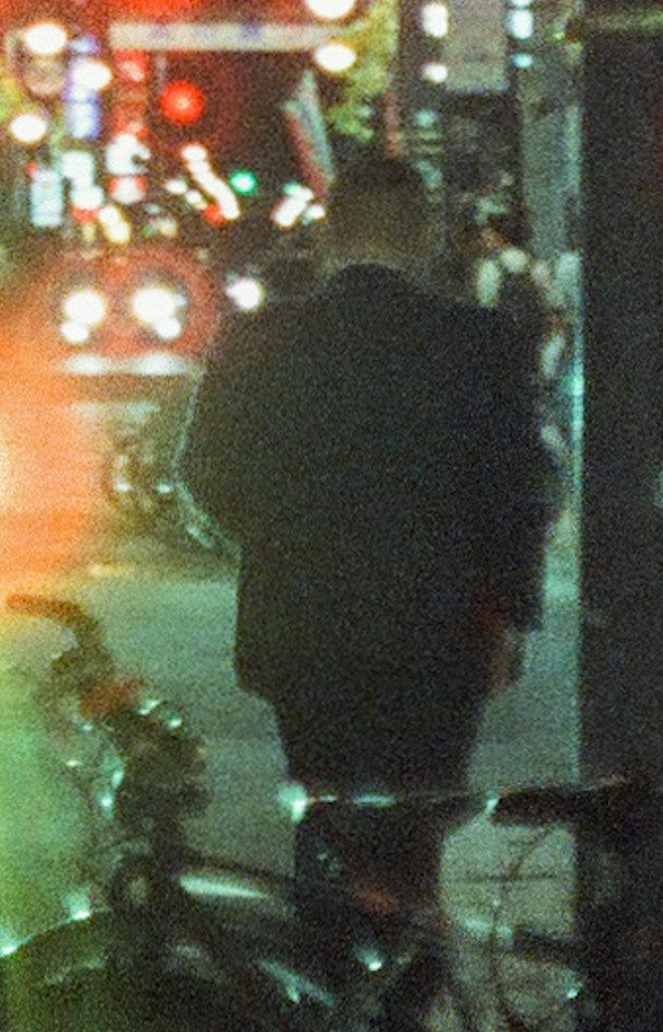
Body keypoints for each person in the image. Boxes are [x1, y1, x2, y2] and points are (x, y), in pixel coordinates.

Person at [177, 147, 553, 955]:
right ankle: (400, 1006)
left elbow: (204, 471)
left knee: (326, 812)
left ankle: (328, 992)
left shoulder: (260, 337)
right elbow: (520, 489)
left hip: (304, 624)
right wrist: (511, 611)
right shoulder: (481, 342)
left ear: (330, 233)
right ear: (422, 236)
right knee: (414, 829)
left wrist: (279, 534)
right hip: (440, 632)